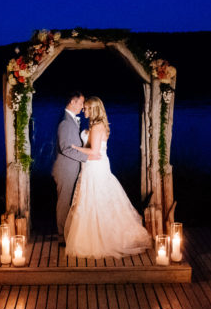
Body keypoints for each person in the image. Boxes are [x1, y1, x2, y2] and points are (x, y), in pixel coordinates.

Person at [63, 96, 151, 258]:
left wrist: (75, 147)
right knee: (89, 202)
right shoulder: (94, 125)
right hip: (90, 166)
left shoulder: (97, 127)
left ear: (95, 110)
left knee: (97, 201)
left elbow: (95, 152)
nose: (84, 110)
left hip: (96, 167)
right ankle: (90, 237)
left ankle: (103, 239)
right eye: (84, 108)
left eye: (87, 108)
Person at [52, 91, 87, 244]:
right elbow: (65, 148)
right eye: (81, 103)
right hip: (65, 169)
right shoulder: (65, 122)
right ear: (73, 102)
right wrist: (87, 158)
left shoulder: (70, 120)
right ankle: (62, 236)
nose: (82, 106)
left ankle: (69, 232)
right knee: (64, 202)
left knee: (70, 201)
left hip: (71, 167)